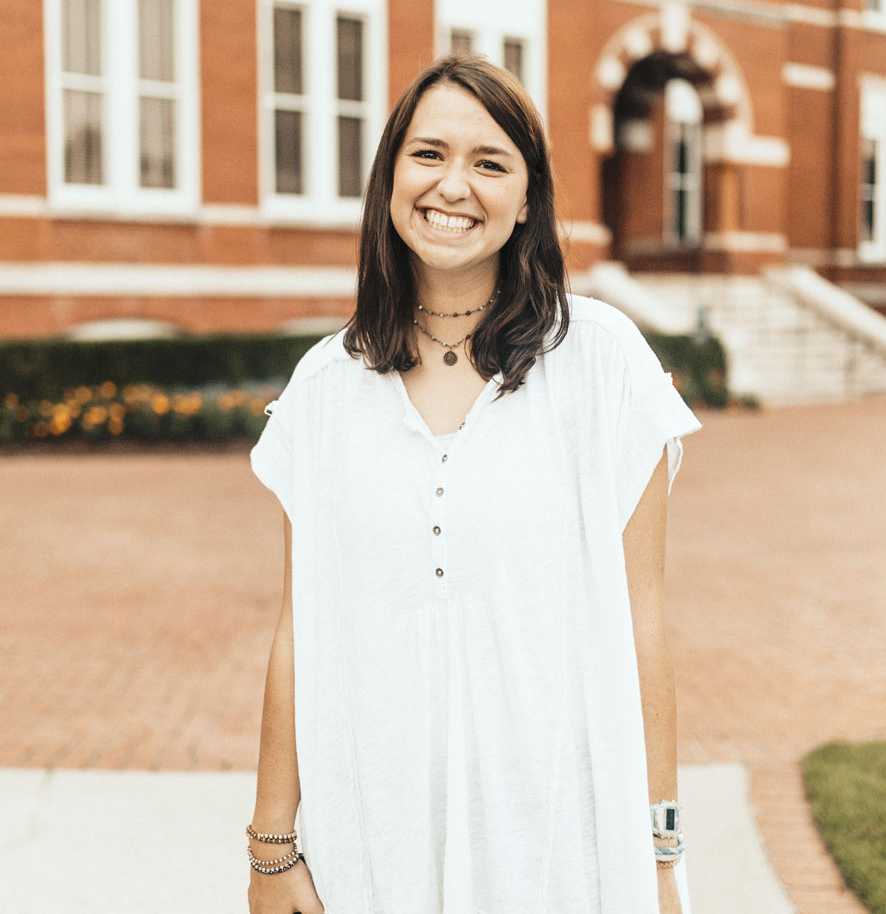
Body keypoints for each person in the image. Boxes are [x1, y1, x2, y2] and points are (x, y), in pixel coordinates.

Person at [248, 53, 701, 914]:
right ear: (389, 177)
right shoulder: (322, 387)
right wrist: (273, 847)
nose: (453, 185)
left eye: (490, 162)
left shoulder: (603, 366)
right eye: (429, 155)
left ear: (527, 199)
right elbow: (298, 627)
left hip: (561, 846)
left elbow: (642, 623)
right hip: (375, 843)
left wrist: (661, 853)